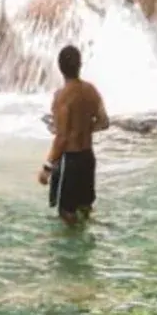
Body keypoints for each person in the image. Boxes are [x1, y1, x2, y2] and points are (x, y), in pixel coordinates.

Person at [37, 45, 108, 226]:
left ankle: (71, 244)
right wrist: (83, 128)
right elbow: (104, 122)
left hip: (70, 162)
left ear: (60, 67)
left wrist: (47, 167)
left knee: (66, 215)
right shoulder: (91, 90)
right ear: (80, 65)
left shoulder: (61, 97)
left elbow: (62, 138)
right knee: (85, 209)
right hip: (88, 158)